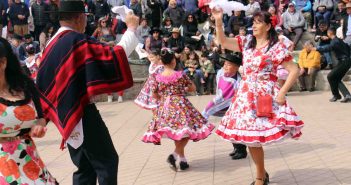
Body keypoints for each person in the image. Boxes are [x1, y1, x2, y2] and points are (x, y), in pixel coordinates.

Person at [36, 1, 140, 184]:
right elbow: (113, 56)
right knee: (106, 162)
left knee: (85, 168)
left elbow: (43, 82)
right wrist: (131, 29)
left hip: (67, 113)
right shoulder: (76, 40)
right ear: (79, 17)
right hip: (82, 113)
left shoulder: (52, 43)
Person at [213, 8, 304, 185]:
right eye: (253, 22)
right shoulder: (246, 42)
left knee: (255, 138)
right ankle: (261, 175)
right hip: (245, 96)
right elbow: (222, 40)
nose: (253, 25)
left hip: (264, 97)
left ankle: (260, 178)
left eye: (258, 22)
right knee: (251, 139)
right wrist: (218, 21)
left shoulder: (275, 48)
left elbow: (294, 70)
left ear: (268, 26)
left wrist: (282, 93)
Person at [142, 48, 215, 171]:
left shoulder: (157, 77)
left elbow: (154, 95)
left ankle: (183, 161)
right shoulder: (180, 75)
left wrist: (164, 98)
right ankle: (174, 155)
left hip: (165, 106)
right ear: (173, 61)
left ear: (162, 62)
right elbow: (192, 88)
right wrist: (182, 90)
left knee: (179, 134)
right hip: (180, 105)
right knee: (186, 133)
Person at [0, 37, 58, 185]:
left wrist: (39, 125)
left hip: (29, 160)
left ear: (3, 63)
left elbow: (41, 115)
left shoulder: (25, 85)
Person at [202, 52, 248, 160]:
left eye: (229, 65)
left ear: (236, 67)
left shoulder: (237, 81)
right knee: (228, 128)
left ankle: (242, 150)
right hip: (227, 107)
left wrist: (211, 105)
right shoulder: (221, 73)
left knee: (235, 128)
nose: (225, 66)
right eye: (225, 64)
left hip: (236, 107)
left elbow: (227, 95)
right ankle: (236, 148)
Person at [316, 27, 351, 103]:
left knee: (330, 76)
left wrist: (317, 48)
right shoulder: (338, 40)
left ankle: (337, 95)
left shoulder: (334, 42)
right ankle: (346, 95)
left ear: (329, 33)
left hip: (343, 61)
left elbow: (329, 47)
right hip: (346, 61)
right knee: (336, 78)